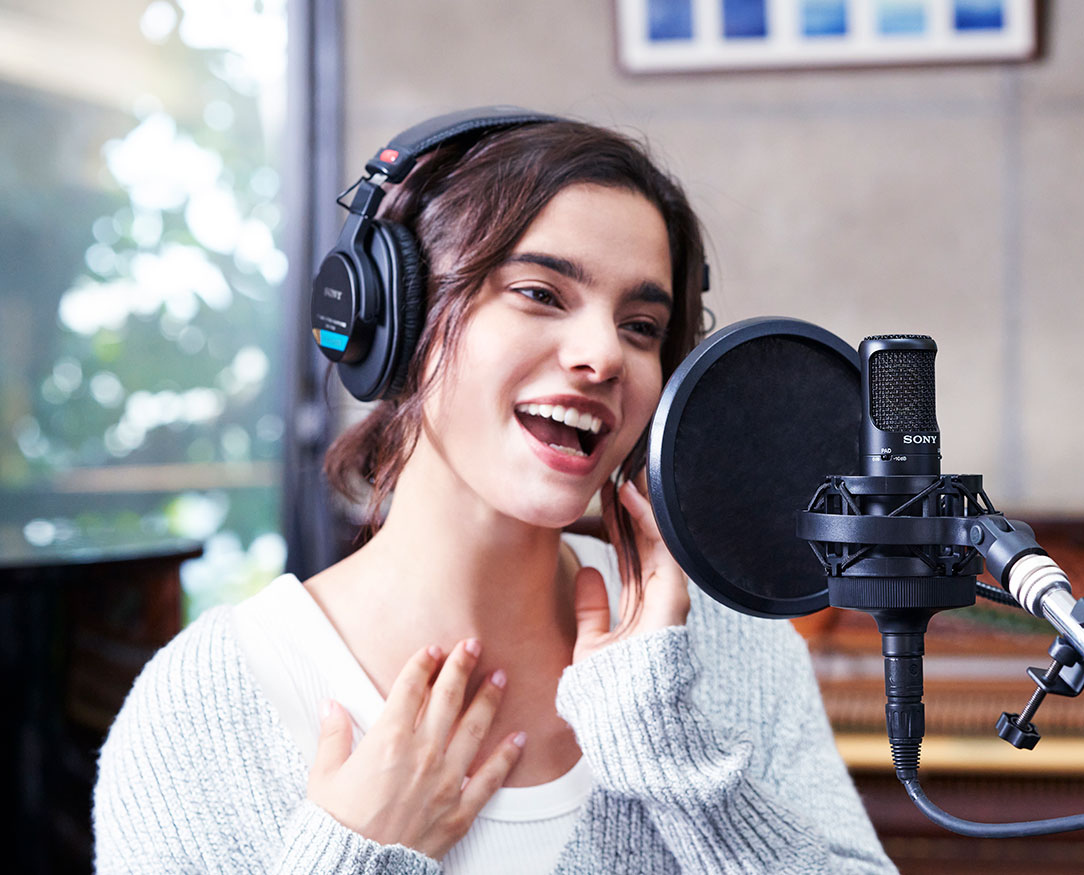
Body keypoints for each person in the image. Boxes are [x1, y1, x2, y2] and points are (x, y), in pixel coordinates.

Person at [93, 110, 896, 874]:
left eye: (642, 326)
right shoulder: (207, 704)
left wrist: (666, 746)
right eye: (540, 293)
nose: (602, 355)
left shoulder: (727, 647)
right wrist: (355, 853)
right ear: (398, 316)